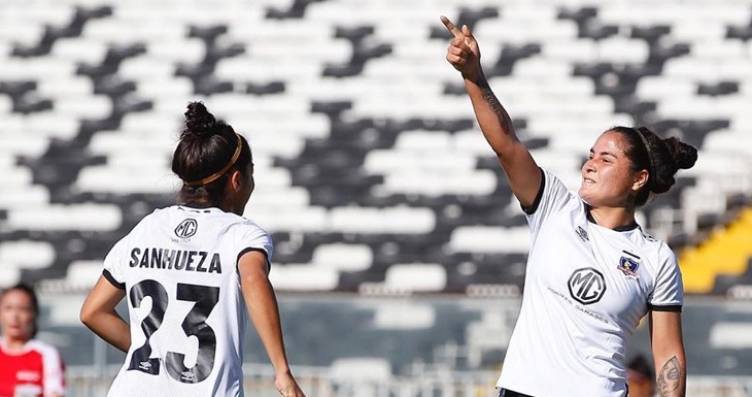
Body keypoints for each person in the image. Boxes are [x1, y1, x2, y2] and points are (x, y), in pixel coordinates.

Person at [441, 16, 693, 397]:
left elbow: (668, 355)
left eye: (606, 159)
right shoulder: (555, 208)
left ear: (638, 179)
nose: (590, 163)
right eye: (591, 154)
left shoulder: (656, 258)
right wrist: (473, 76)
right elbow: (506, 143)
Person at [80, 102, 305, 397]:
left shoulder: (147, 227)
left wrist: (153, 349)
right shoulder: (241, 235)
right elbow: (253, 279)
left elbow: (92, 312)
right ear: (238, 180)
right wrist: (282, 372)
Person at [0, 283, 65, 397]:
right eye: (8, 308)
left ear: (33, 314)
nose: (15, 316)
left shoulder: (46, 354)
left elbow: (55, 393)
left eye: (22, 309)